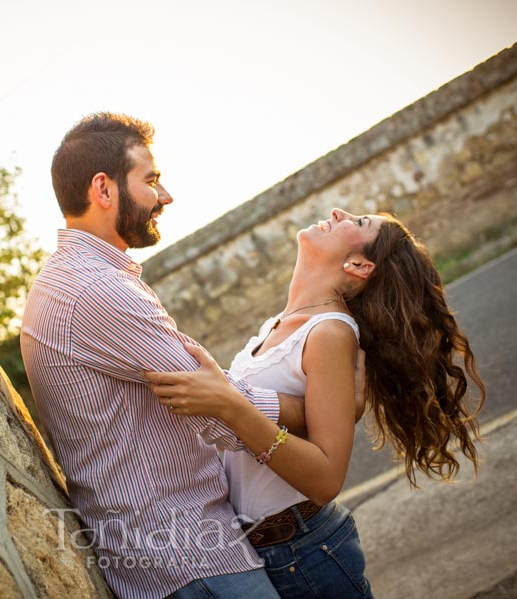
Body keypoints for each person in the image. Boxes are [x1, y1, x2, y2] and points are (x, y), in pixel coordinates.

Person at [21, 112, 319, 599]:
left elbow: (215, 397)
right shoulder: (96, 289)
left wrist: (228, 395)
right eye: (151, 180)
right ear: (104, 189)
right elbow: (222, 413)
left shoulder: (75, 278)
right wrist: (312, 409)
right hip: (188, 555)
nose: (165, 196)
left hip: (170, 551)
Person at [145, 209, 486, 599]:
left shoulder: (331, 332)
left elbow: (326, 480)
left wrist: (229, 405)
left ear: (359, 265)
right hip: (263, 550)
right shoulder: (279, 324)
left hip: (304, 552)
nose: (340, 212)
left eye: (358, 223)